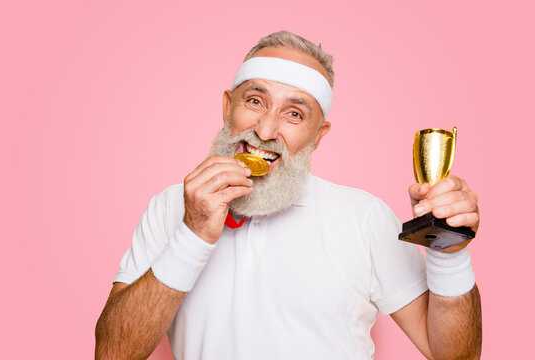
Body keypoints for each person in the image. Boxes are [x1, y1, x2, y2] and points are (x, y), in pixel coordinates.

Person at [95, 31, 482, 360]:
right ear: (228, 107)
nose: (265, 130)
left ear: (318, 136)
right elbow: (112, 353)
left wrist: (449, 253)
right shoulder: (169, 207)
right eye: (254, 101)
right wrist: (193, 232)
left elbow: (453, 354)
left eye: (294, 114)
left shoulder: (363, 217)